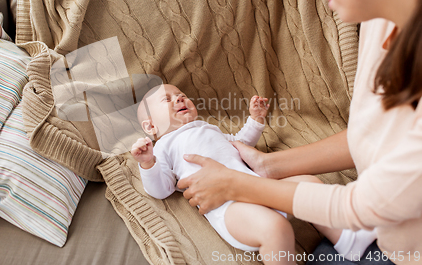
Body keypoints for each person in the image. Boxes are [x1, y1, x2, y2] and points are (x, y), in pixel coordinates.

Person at [175, 0, 422, 264]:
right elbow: (381, 135)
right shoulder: (382, 14)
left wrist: (236, 186)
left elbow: (361, 205)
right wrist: (268, 165)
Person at [131, 84, 377, 264]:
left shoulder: (208, 128)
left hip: (258, 187)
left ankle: (348, 239)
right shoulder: (163, 146)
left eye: (181, 95)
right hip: (230, 208)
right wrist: (147, 163)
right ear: (151, 126)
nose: (178, 99)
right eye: (167, 100)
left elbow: (241, 146)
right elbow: (161, 189)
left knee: (310, 184)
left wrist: (255, 121)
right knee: (275, 228)